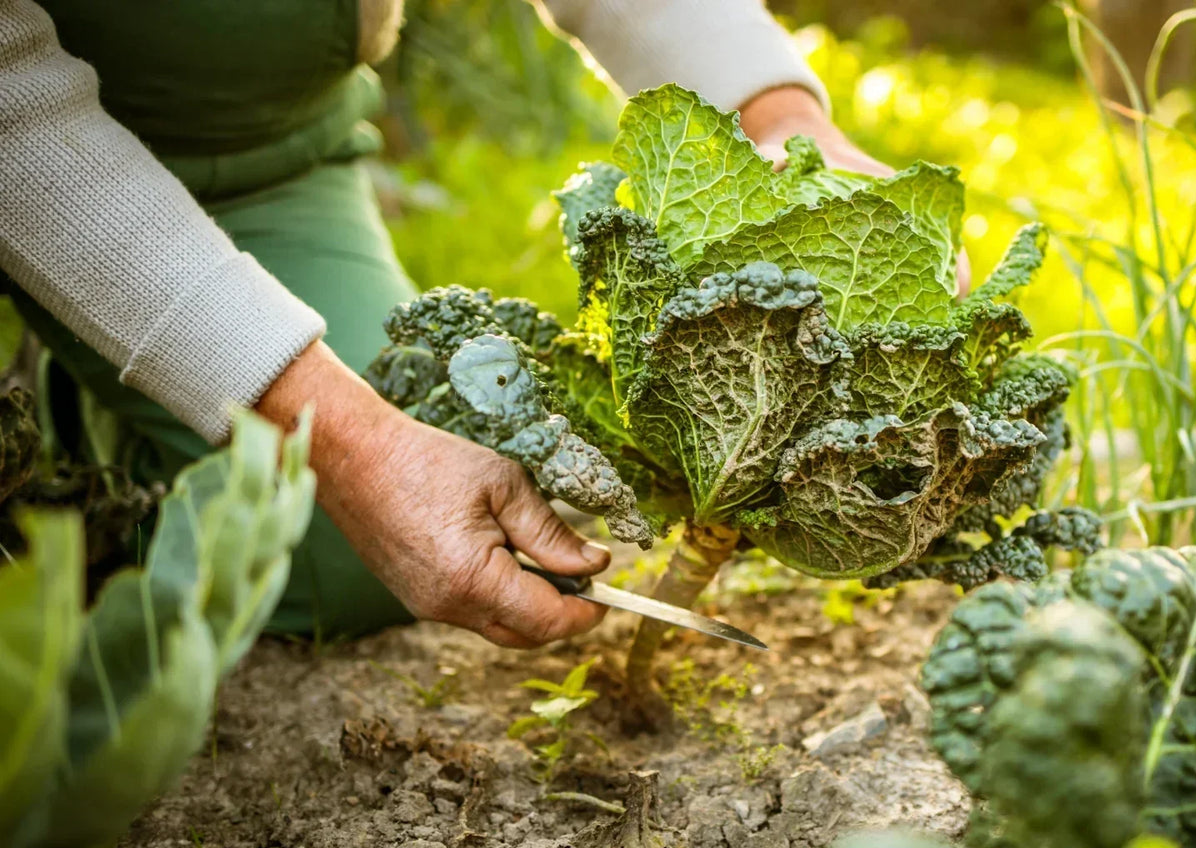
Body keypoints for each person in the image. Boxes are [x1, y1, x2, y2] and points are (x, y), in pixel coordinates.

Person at [0, 0, 899, 648]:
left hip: (277, 162)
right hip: (39, 175)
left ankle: (121, 395)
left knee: (372, 548)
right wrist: (352, 444)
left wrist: (775, 114)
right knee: (331, 515)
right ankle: (72, 405)